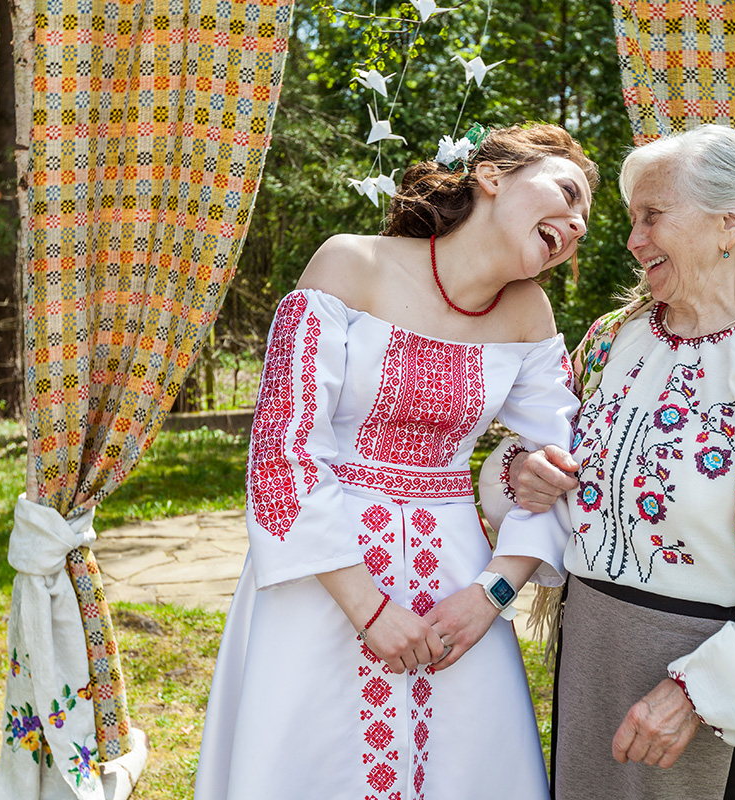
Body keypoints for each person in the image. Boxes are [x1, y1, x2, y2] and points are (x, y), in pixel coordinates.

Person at [481, 124, 735, 800]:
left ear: (730, 223)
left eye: (653, 215)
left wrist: (698, 694)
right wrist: (522, 472)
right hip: (594, 655)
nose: (634, 239)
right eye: (633, 217)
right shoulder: (614, 339)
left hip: (718, 686)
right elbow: (526, 461)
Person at [194, 123, 597, 800]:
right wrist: (368, 609)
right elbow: (283, 448)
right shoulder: (351, 263)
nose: (578, 222)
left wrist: (490, 596)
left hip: (456, 599)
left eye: (586, 217)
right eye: (566, 191)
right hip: (321, 579)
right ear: (493, 177)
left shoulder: (531, 312)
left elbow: (564, 464)